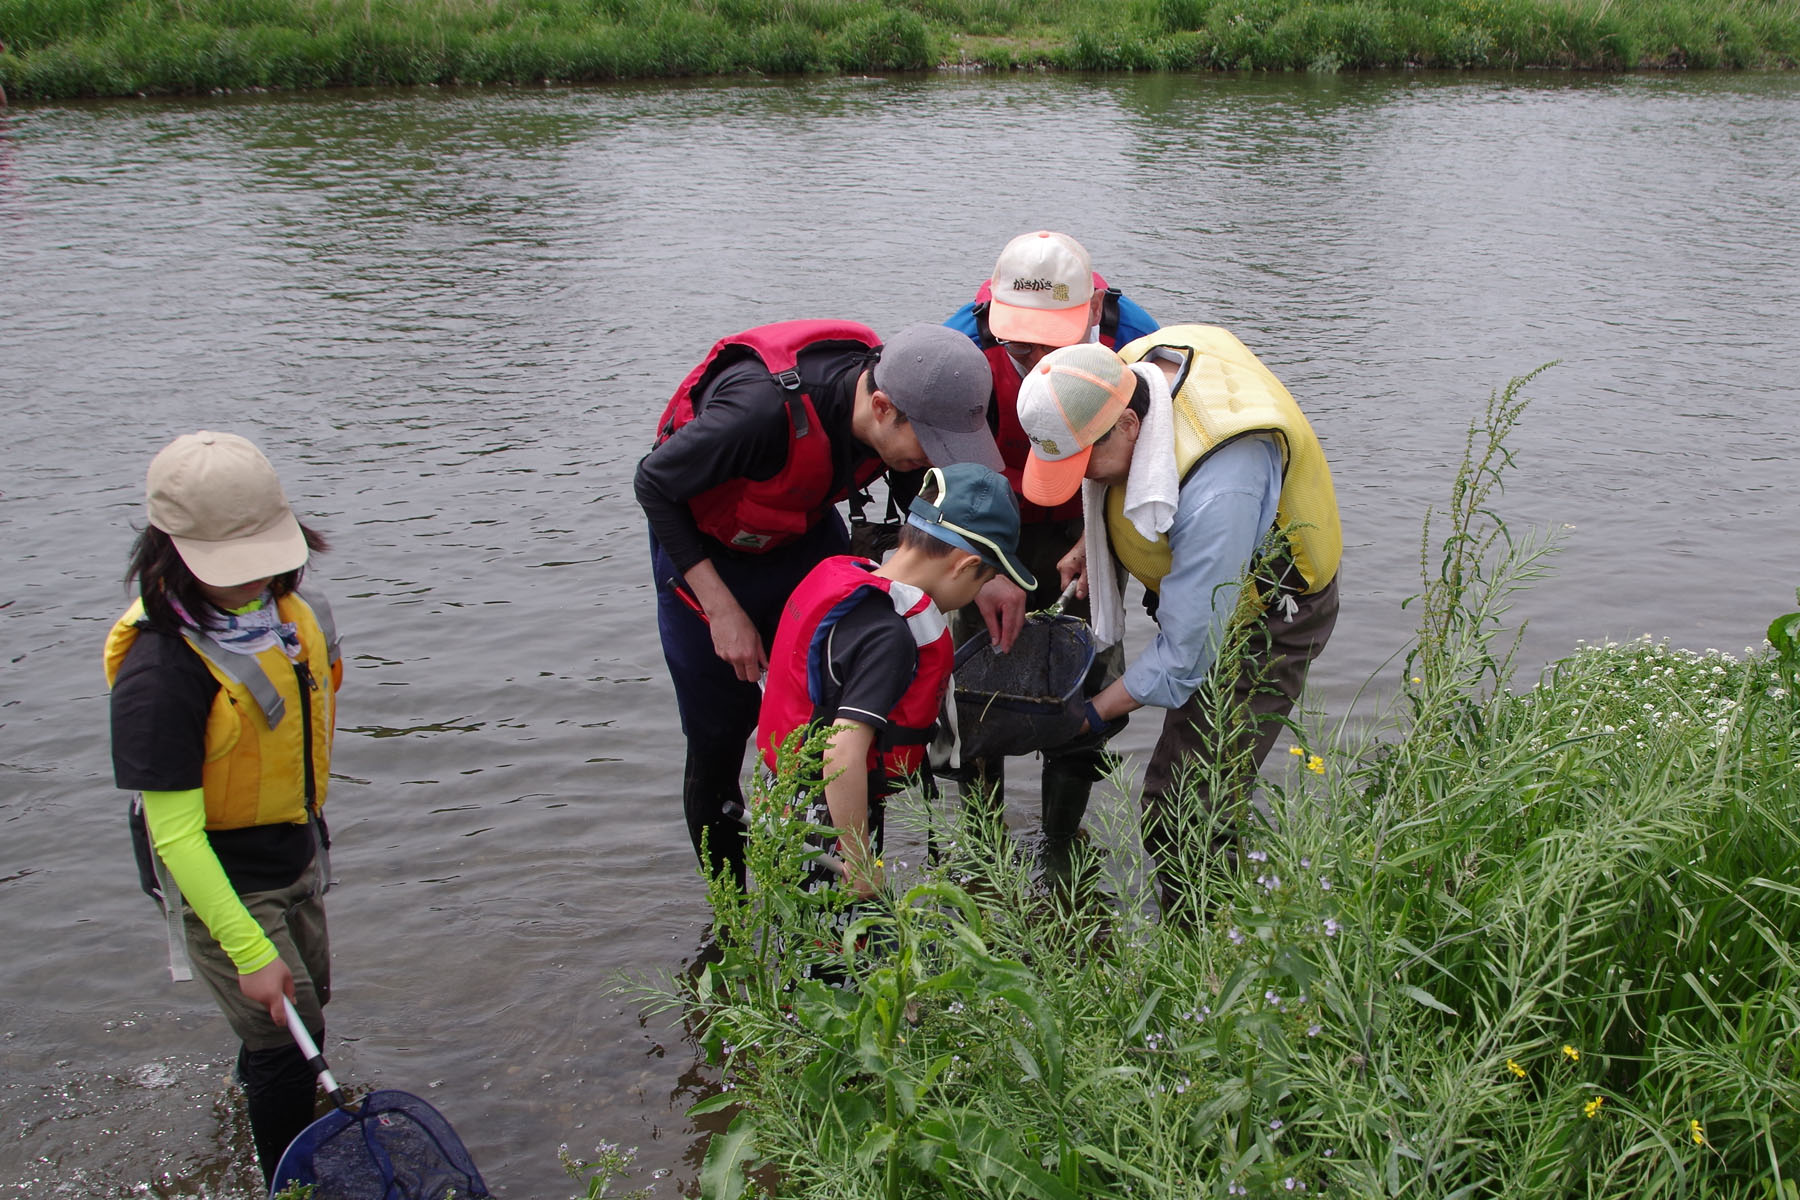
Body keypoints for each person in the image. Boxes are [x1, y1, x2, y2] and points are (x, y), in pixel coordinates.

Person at [636, 320, 1003, 890]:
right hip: (703, 550)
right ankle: (731, 918)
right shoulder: (756, 413)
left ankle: (850, 886)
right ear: (882, 408)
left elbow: (929, 506)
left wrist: (992, 569)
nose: (936, 460)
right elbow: (654, 485)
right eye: (928, 446)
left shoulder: (901, 414)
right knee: (718, 734)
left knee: (852, 709)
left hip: (797, 534)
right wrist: (723, 611)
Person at [1015, 333, 1342, 920]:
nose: (1081, 478)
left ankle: (1209, 962)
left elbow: (1186, 656)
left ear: (1130, 429)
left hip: (1269, 613)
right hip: (1208, 581)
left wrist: (1088, 715)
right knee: (1186, 794)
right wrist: (1095, 542)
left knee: (1185, 808)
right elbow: (1118, 485)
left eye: (1082, 463)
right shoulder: (1121, 372)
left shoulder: (1222, 484)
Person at [104, 431, 343, 1183]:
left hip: (292, 845)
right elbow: (174, 835)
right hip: (218, 871)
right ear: (171, 554)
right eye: (231, 571)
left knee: (306, 997)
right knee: (287, 1028)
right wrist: (247, 949)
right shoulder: (161, 673)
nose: (256, 583)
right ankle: (287, 1182)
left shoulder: (293, 617)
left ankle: (252, 1098)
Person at [942, 230, 1160, 867]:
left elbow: (1154, 458)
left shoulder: (1135, 341)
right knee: (979, 682)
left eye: (1051, 338)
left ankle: (1061, 849)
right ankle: (984, 853)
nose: (1033, 354)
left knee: (1084, 677)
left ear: (1092, 313)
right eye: (1019, 339)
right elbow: (946, 471)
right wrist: (984, 568)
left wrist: (1110, 546)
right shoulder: (962, 348)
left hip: (1086, 517)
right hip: (992, 517)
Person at [756, 463, 1035, 897]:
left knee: (796, 946)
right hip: (825, 814)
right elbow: (841, 752)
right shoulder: (890, 636)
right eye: (986, 579)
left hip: (781, 795)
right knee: (835, 951)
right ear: (965, 567)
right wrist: (858, 859)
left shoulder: (847, 579)